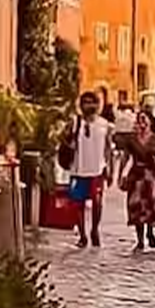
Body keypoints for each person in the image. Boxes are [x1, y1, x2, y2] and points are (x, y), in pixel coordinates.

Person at [66, 91, 113, 248]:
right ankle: (82, 235)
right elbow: (64, 140)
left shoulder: (105, 125)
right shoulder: (75, 122)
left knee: (97, 202)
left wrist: (110, 168)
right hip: (78, 169)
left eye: (92, 102)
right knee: (77, 203)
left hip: (97, 170)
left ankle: (94, 230)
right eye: (85, 102)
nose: (89, 106)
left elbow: (108, 148)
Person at [120, 110, 155, 252]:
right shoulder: (132, 140)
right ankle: (140, 240)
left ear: (150, 122)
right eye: (139, 119)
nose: (141, 122)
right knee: (136, 207)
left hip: (151, 176)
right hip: (136, 176)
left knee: (150, 206)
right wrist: (123, 174)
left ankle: (150, 232)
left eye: (144, 119)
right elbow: (126, 158)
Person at [112, 101, 136, 184]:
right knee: (128, 157)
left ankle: (118, 176)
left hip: (119, 137)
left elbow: (114, 109)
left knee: (119, 157)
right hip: (129, 137)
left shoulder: (118, 114)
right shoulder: (133, 115)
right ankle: (124, 175)